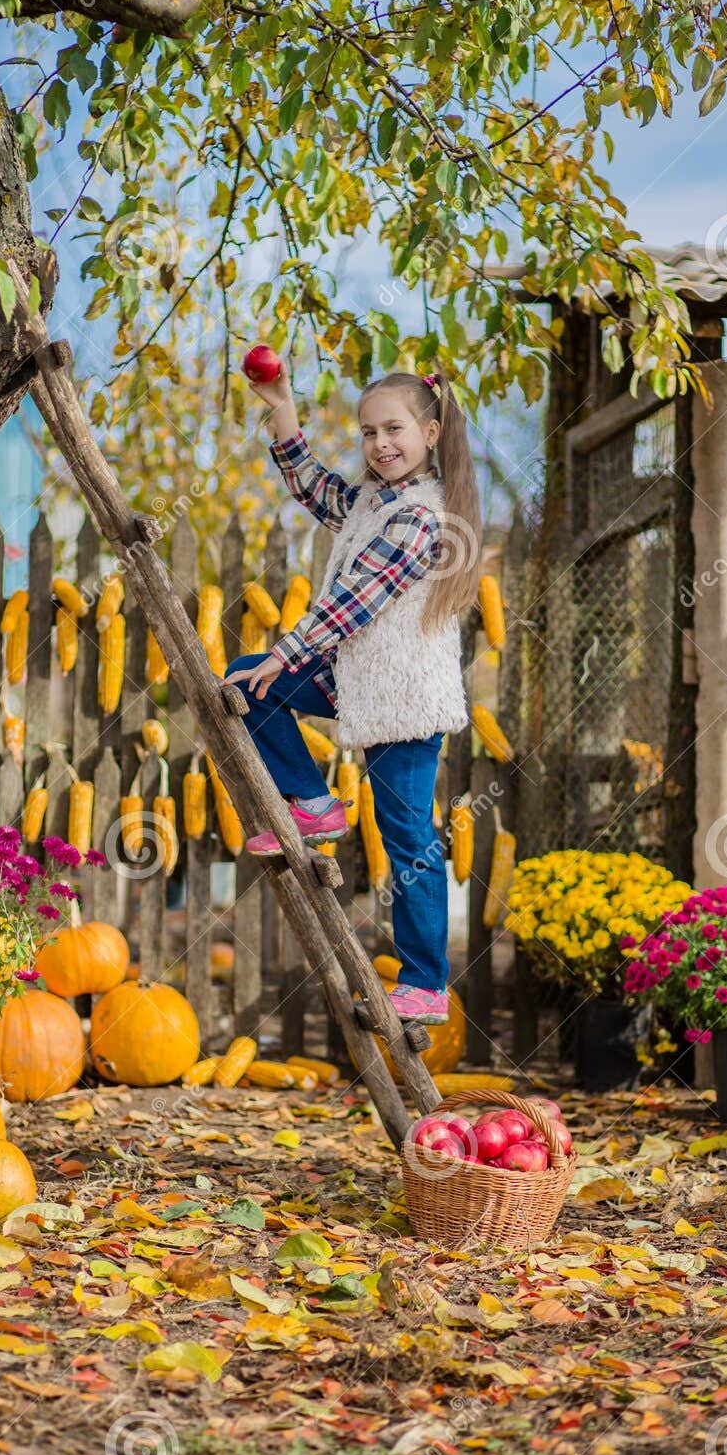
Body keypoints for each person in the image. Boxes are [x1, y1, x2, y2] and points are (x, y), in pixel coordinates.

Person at [223, 363, 481, 1024]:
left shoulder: (422, 517)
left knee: (406, 837)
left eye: (393, 429)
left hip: (405, 704)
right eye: (367, 432)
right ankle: (313, 805)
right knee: (248, 681)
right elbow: (311, 488)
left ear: (428, 432)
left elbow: (351, 605)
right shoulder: (373, 501)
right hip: (359, 685)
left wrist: (286, 653)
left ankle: (426, 982)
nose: (379, 444)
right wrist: (282, 402)